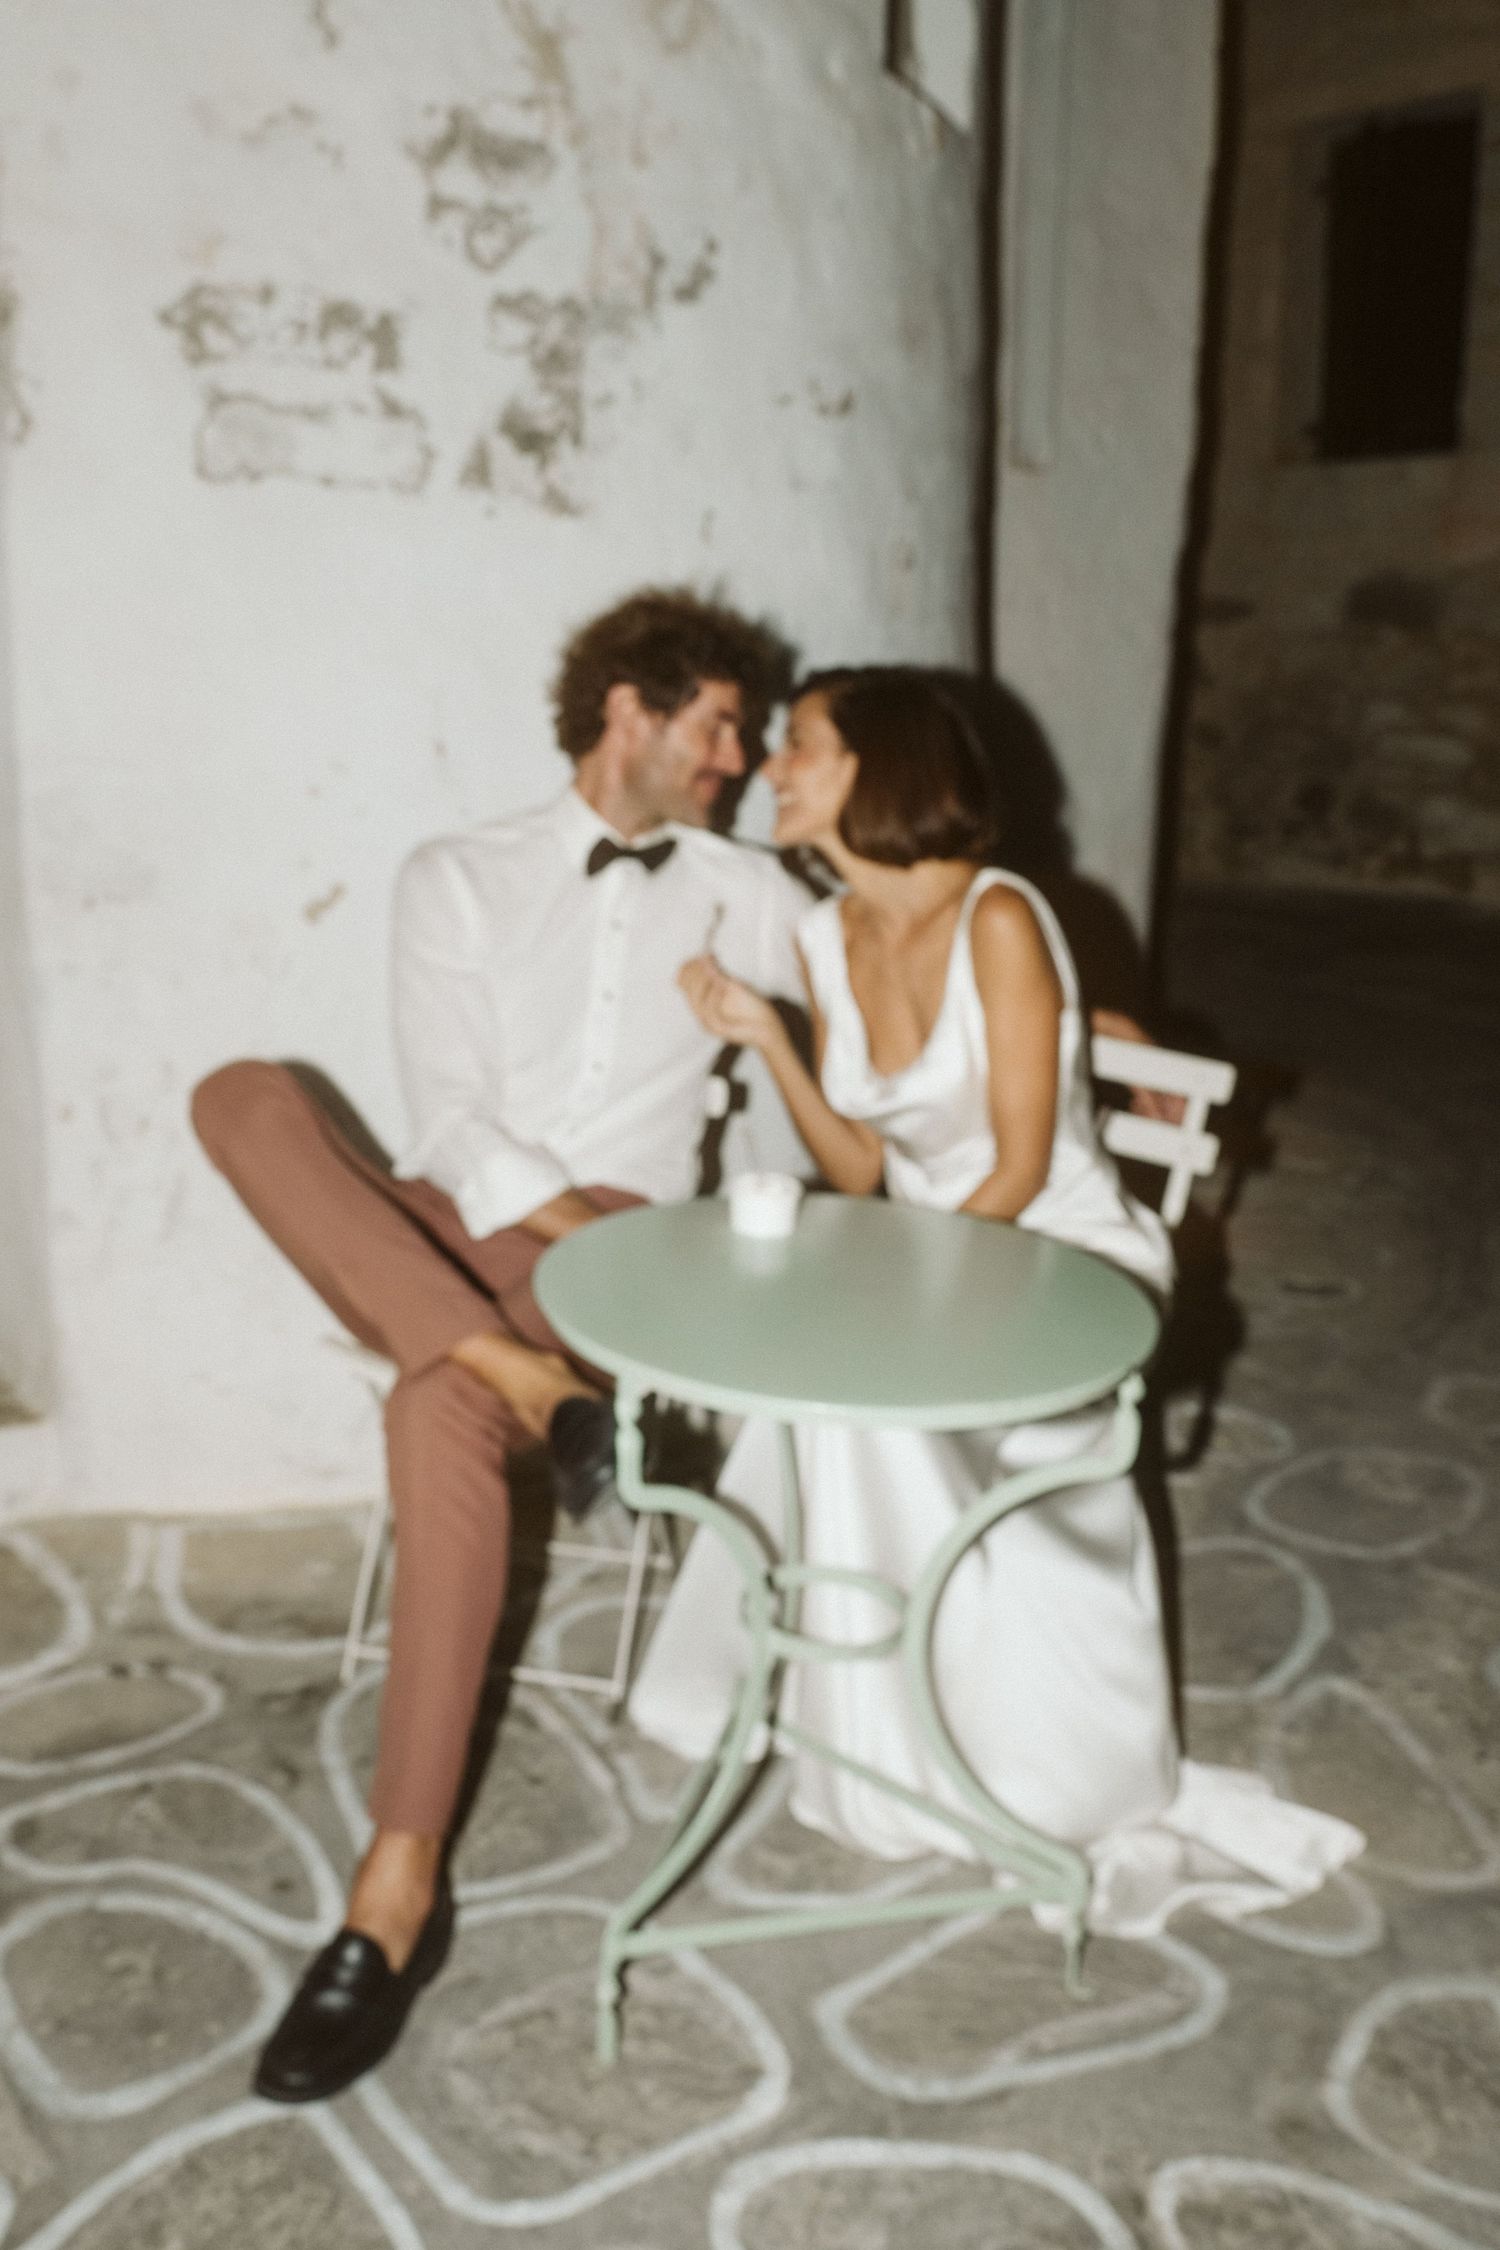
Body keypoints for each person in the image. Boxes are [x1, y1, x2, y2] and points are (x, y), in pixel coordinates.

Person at [190, 588, 813, 2100]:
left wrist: (1054, 1012)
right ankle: (521, 1375)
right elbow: (455, 1118)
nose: (740, 755)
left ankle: (393, 1893)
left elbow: (898, 991)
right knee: (239, 1094)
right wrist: (499, 1305)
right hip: (456, 1222)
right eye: (719, 722)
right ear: (628, 710)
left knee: (429, 1409)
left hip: (626, 1251)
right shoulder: (456, 875)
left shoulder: (757, 892)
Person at [631, 669, 1363, 1933]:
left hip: (1061, 1252)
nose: (771, 766)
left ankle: (997, 1741)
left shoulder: (1002, 921)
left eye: (798, 744)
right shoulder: (822, 936)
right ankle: (877, 1725)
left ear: (880, 767)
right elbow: (861, 1167)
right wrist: (768, 1040)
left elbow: (1022, 1168)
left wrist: (895, 1301)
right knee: (826, 1393)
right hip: (926, 1246)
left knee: (866, 1391)